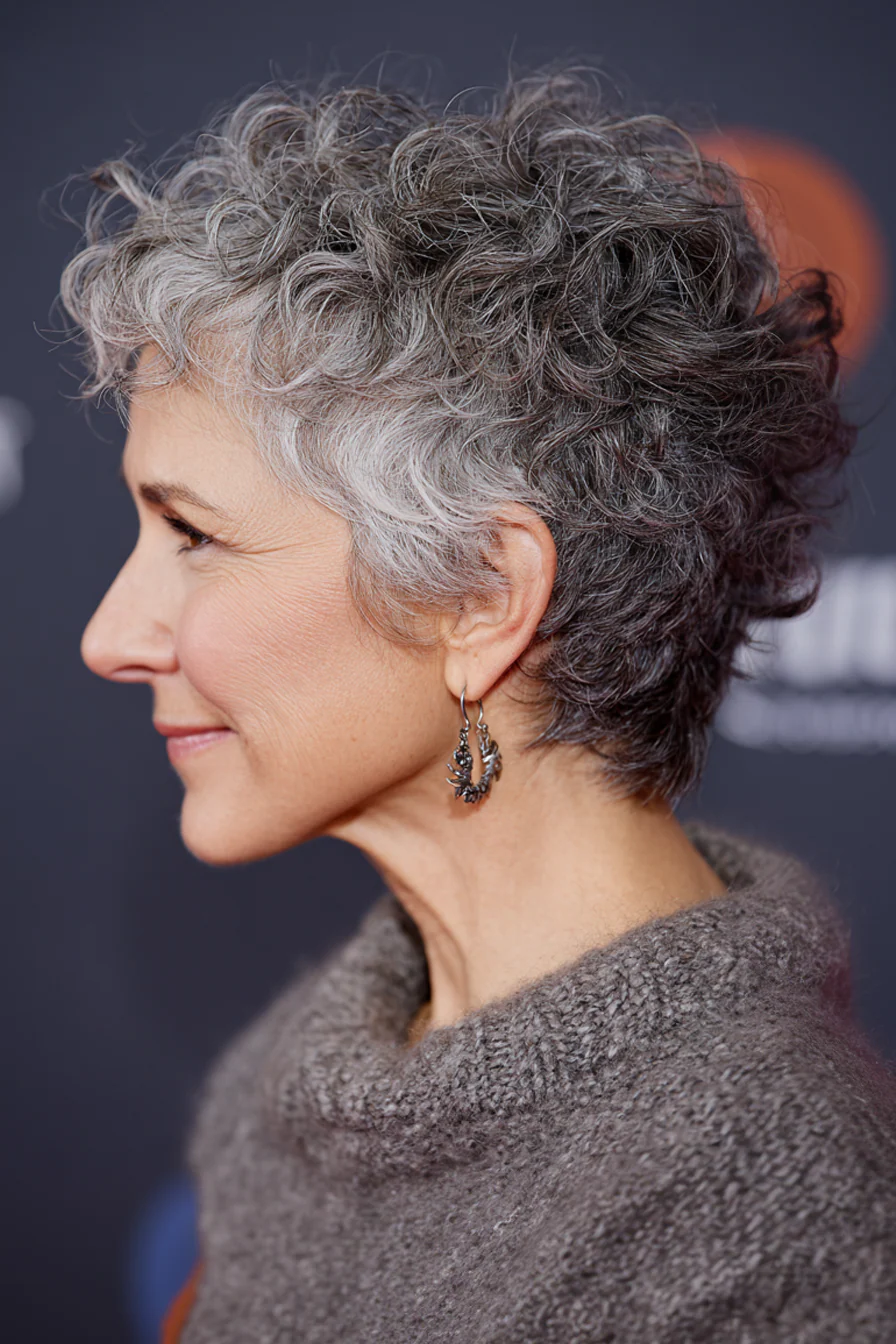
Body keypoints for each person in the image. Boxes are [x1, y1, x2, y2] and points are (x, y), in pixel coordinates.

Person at [58, 67, 896, 1342]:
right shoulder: (286, 1087)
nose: (107, 637)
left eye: (195, 536)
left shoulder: (781, 1211)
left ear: (480, 597)